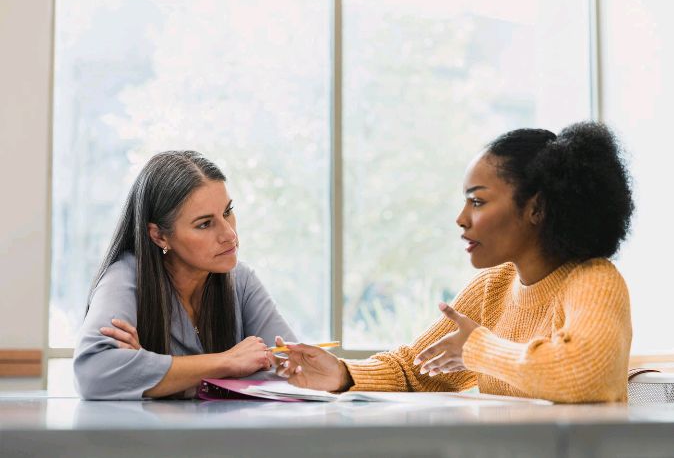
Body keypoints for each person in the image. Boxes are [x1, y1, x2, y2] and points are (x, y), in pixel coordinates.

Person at [277, 122, 634, 403]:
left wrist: (477, 349)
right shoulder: (493, 287)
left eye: (477, 202)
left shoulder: (594, 280)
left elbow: (583, 374)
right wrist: (342, 373)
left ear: (536, 208)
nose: (461, 218)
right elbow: (417, 371)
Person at [74, 151, 296, 399]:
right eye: (204, 224)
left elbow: (292, 371)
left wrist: (150, 371)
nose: (229, 234)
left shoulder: (240, 280)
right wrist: (226, 362)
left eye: (227, 212)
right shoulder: (126, 277)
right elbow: (93, 374)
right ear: (159, 236)